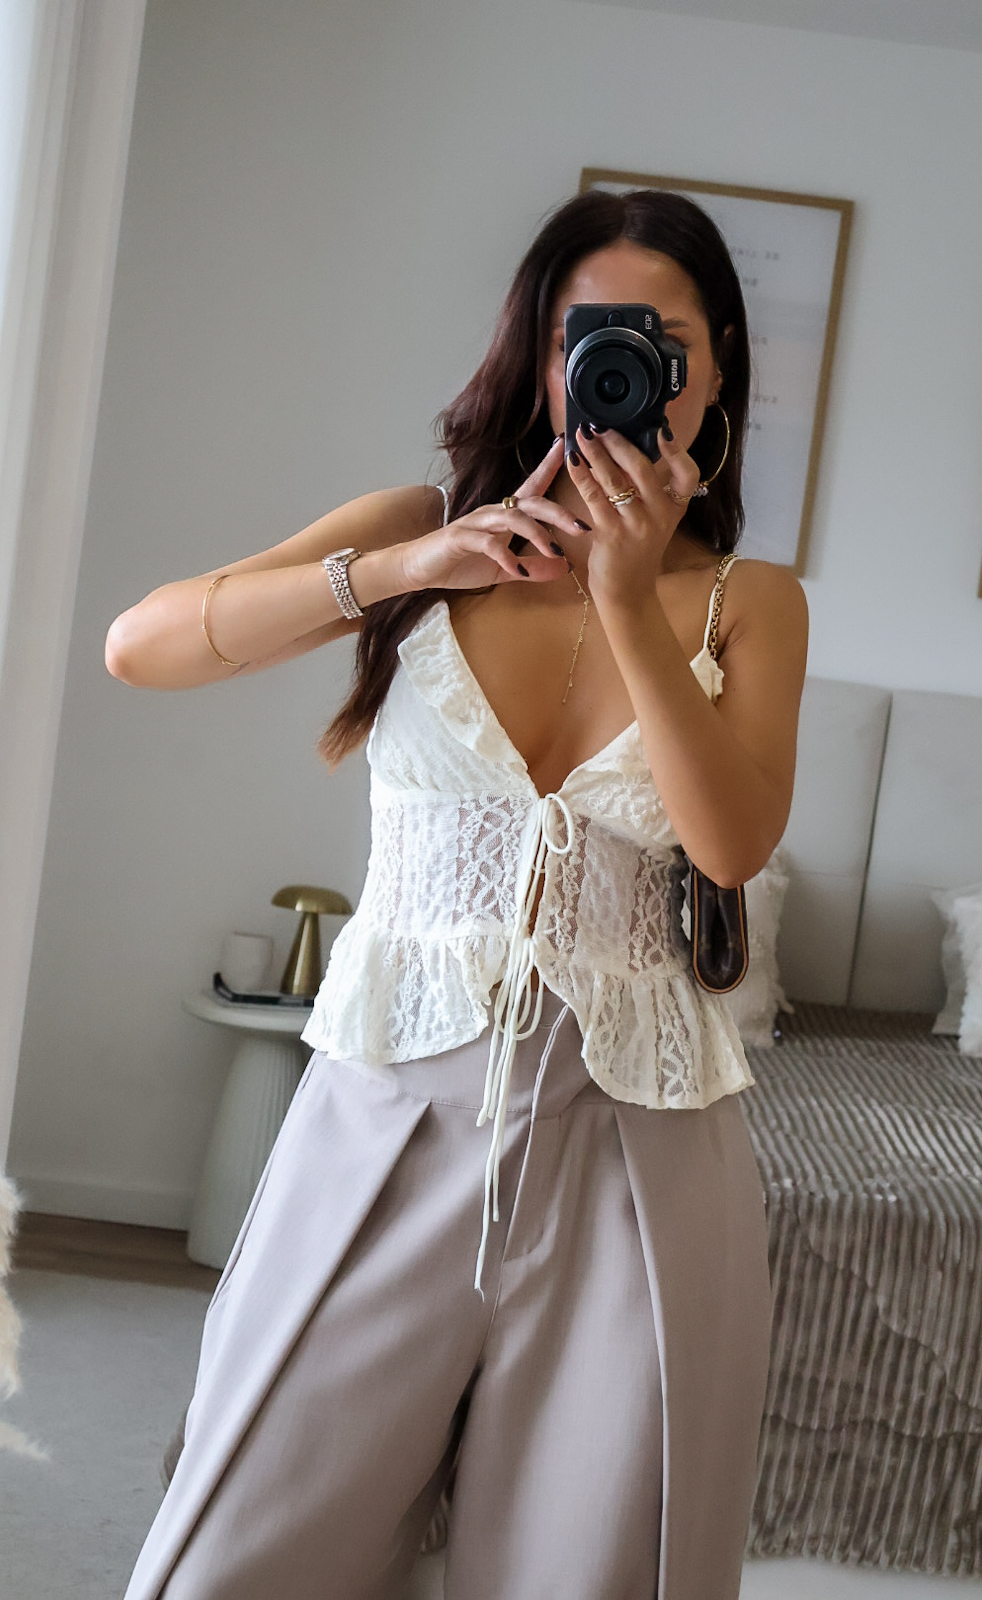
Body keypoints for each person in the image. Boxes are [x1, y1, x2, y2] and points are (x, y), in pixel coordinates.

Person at [109, 187, 807, 1600]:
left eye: (660, 340)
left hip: (641, 1159)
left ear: (713, 368)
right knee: (237, 1556)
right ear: (540, 356)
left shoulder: (751, 602)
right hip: (384, 1122)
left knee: (593, 1573)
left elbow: (730, 847)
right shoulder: (416, 534)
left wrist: (629, 598)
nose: (619, 368)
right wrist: (407, 567)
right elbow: (143, 647)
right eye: (584, 334)